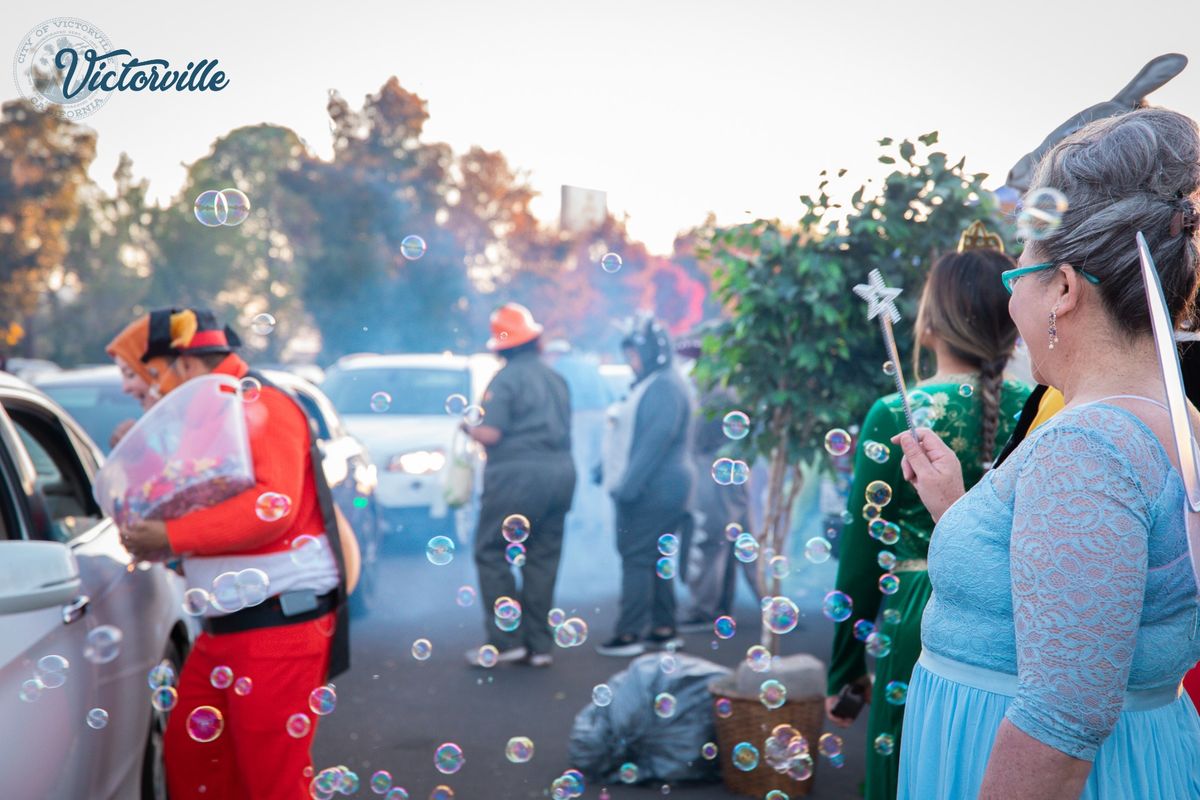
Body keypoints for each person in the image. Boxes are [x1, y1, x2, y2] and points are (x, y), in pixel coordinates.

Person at [894, 108, 1200, 799]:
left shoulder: (1089, 449)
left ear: (1063, 289)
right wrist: (956, 508)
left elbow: (1058, 728)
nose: (1010, 308)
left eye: (1017, 279)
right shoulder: (1172, 420)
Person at [824, 222, 1031, 800]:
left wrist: (845, 671)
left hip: (918, 611)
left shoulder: (899, 413)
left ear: (931, 323)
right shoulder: (1045, 406)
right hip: (1011, 609)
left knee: (908, 771)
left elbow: (862, 556)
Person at [118, 308, 350, 800]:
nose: (136, 387)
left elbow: (274, 509)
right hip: (227, 629)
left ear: (186, 364)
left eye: (146, 373)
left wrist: (171, 536)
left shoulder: (259, 402)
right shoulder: (209, 413)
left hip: (276, 627)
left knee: (271, 784)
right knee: (195, 763)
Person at [463, 302, 576, 668]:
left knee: (492, 551)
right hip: (560, 476)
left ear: (502, 347)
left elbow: (492, 433)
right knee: (543, 557)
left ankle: (506, 640)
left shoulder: (506, 379)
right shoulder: (556, 379)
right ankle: (539, 646)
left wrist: (467, 428)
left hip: (516, 477)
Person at [597, 315, 696, 657]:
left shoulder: (665, 385)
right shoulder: (655, 381)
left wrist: (628, 484)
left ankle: (630, 633)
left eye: (635, 354)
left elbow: (656, 438)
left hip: (655, 487)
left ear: (653, 351)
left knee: (637, 556)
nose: (630, 362)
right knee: (655, 557)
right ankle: (662, 628)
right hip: (658, 484)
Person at [673, 335, 751, 630]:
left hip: (716, 473)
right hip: (725, 471)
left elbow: (700, 438)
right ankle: (719, 605)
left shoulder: (718, 395)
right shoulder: (723, 388)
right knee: (726, 540)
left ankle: (705, 608)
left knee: (711, 539)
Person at [104, 307, 182, 446]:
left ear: (159, 371)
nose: (125, 388)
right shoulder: (162, 431)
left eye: (130, 374)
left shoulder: (205, 428)